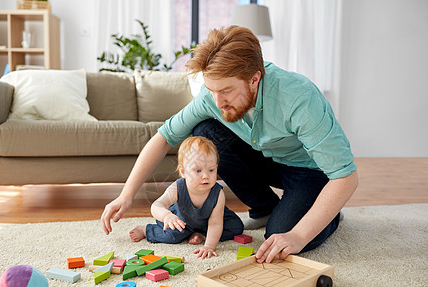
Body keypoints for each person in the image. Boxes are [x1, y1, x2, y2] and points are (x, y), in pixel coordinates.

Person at [101, 25, 358, 264]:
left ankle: (330, 214)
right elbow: (164, 137)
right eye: (211, 90)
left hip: (309, 170)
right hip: (269, 158)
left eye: (226, 91)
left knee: (282, 235)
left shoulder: (299, 99)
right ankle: (265, 207)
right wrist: (126, 194)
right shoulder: (212, 97)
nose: (218, 101)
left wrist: (300, 235)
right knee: (204, 131)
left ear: (254, 79)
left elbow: (346, 177)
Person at [129, 136, 244, 259]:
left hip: (208, 222)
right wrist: (166, 216)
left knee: (236, 227)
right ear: (183, 172)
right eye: (198, 170)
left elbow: (215, 223)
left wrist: (209, 246)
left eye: (211, 170)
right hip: (182, 222)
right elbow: (156, 206)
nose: (206, 176)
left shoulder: (217, 193)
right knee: (172, 236)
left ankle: (201, 234)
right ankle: (146, 230)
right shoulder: (178, 188)